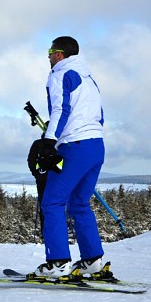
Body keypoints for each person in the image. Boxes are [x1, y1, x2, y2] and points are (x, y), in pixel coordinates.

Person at [32, 36, 107, 280]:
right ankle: (92, 260)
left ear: (60, 54)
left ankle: (58, 263)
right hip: (96, 145)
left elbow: (61, 109)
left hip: (75, 144)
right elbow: (99, 114)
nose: (48, 57)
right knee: (79, 203)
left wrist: (48, 141)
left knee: (52, 202)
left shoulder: (59, 74)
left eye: (50, 51)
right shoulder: (89, 78)